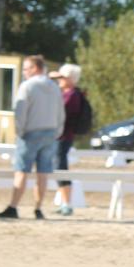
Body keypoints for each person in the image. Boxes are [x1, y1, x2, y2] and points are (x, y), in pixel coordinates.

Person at [0, 55, 63, 219]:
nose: (24, 72)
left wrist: (19, 131)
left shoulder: (27, 86)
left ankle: (13, 206)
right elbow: (61, 113)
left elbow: (20, 111)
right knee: (43, 173)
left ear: (35, 68)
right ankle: (38, 208)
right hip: (50, 132)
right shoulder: (54, 87)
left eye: (26, 69)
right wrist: (57, 131)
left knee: (21, 171)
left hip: (30, 132)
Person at [51, 62, 85, 216]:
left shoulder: (71, 95)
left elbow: (59, 112)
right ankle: (65, 201)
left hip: (63, 136)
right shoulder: (67, 93)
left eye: (62, 77)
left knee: (60, 166)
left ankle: (67, 202)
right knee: (58, 165)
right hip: (61, 136)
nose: (60, 80)